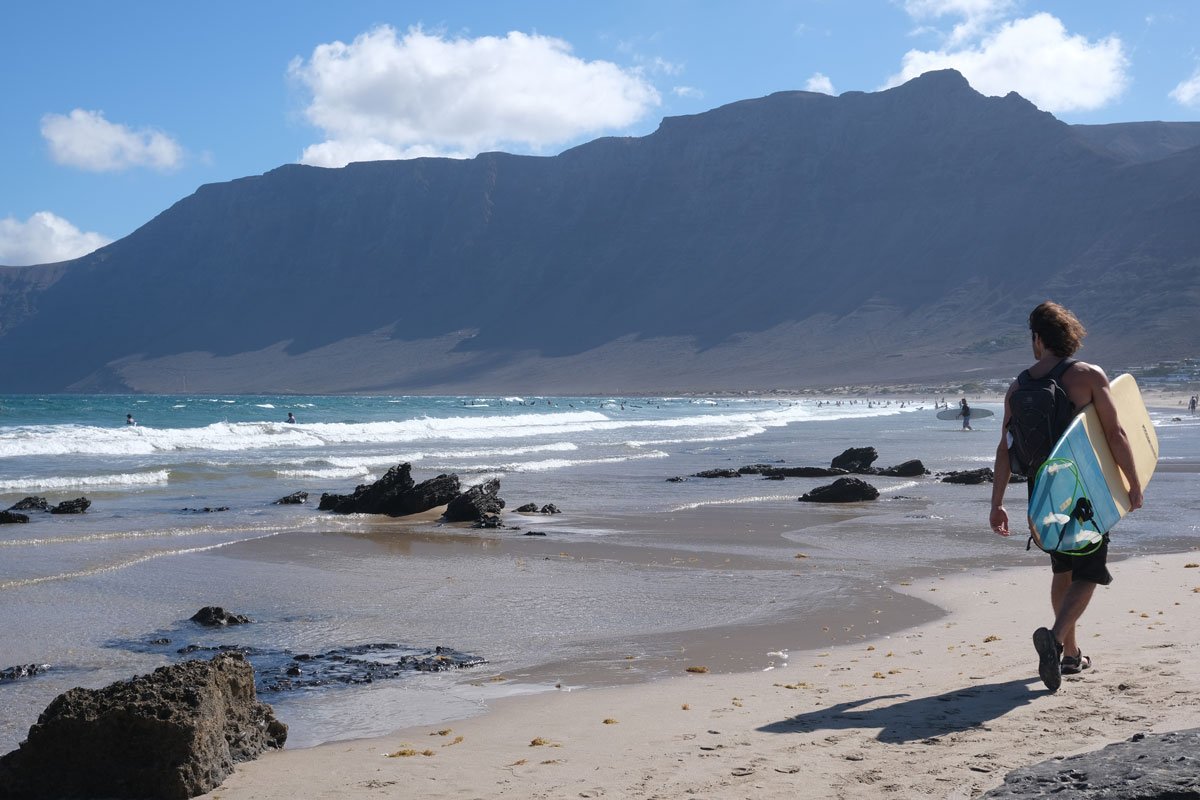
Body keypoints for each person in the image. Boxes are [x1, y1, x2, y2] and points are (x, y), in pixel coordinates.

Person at [989, 301, 1144, 693]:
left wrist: (997, 503)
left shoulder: (1019, 385)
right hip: (1083, 490)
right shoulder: (1087, 376)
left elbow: (1005, 449)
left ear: (1038, 339)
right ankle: (1055, 640)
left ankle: (1072, 655)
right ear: (1069, 335)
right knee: (1090, 571)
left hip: (1041, 491)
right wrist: (1134, 482)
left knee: (1063, 568)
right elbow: (1116, 434)